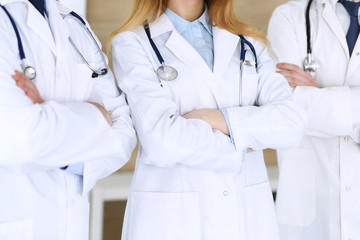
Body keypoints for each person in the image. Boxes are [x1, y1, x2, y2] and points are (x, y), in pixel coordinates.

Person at [111, 0, 307, 239]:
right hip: (173, 221)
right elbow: (160, 139)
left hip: (246, 216)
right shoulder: (133, 42)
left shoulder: (249, 43)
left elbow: (291, 124)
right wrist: (242, 144)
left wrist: (219, 119)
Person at [0, 0, 136, 239]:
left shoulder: (73, 23)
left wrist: (46, 114)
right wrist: (97, 116)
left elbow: (124, 135)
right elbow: (19, 139)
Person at [267, 0, 360, 239]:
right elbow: (281, 109)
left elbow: (297, 104)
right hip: (309, 217)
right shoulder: (288, 18)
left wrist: (314, 93)